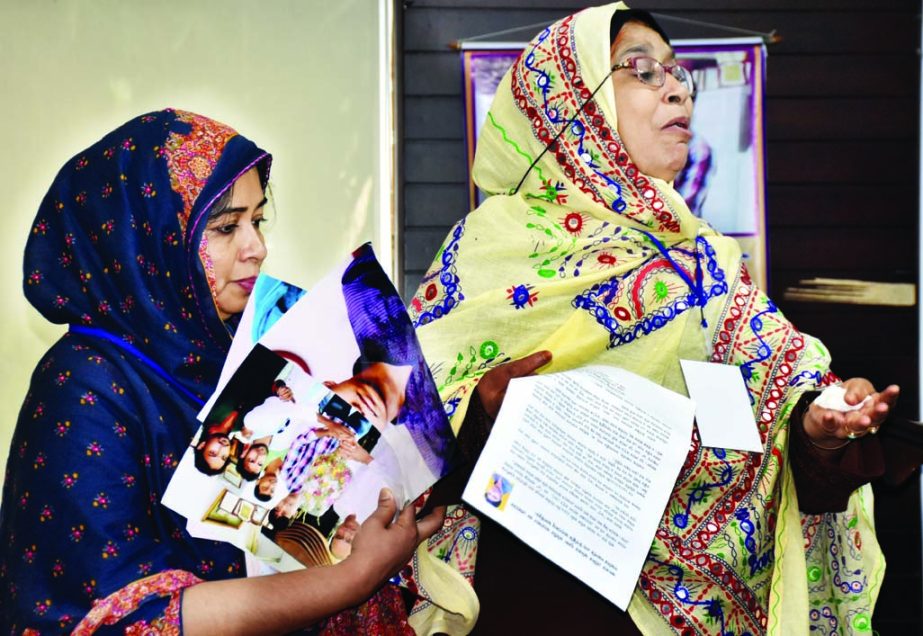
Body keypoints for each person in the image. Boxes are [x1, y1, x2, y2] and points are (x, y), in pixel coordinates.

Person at [408, 6, 898, 635]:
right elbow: (409, 435)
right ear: (571, 104)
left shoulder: (709, 265)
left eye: (677, 72)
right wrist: (483, 410)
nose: (674, 87)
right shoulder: (487, 250)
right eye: (641, 70)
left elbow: (781, 421)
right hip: (534, 602)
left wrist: (822, 428)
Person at [0, 109, 444, 634]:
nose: (256, 247)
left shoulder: (242, 348)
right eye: (226, 227)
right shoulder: (83, 385)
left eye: (257, 220)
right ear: (148, 244)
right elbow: (117, 617)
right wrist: (353, 578)